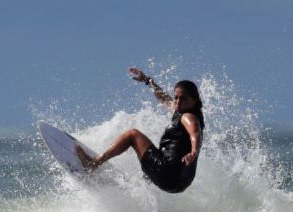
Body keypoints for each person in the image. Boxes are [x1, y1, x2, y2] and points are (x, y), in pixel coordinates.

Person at [76, 67, 204, 193]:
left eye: (183, 98)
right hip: (181, 182)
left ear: (194, 99)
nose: (178, 102)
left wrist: (194, 151)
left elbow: (195, 133)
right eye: (176, 97)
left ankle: (93, 163)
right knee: (154, 158)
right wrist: (148, 81)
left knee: (133, 134)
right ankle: (137, 189)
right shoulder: (182, 110)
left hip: (167, 172)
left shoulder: (188, 117)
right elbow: (164, 98)